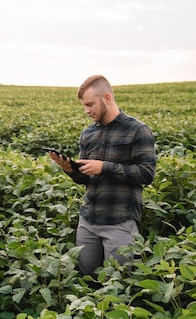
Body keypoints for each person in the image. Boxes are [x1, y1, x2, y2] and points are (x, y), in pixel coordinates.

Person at [48, 75, 156, 276]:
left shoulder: (138, 130)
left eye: (90, 104)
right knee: (85, 275)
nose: (86, 111)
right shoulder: (88, 134)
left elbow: (146, 173)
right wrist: (70, 169)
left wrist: (105, 167)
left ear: (107, 98)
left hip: (120, 221)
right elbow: (85, 178)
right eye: (84, 106)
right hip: (88, 220)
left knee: (118, 281)